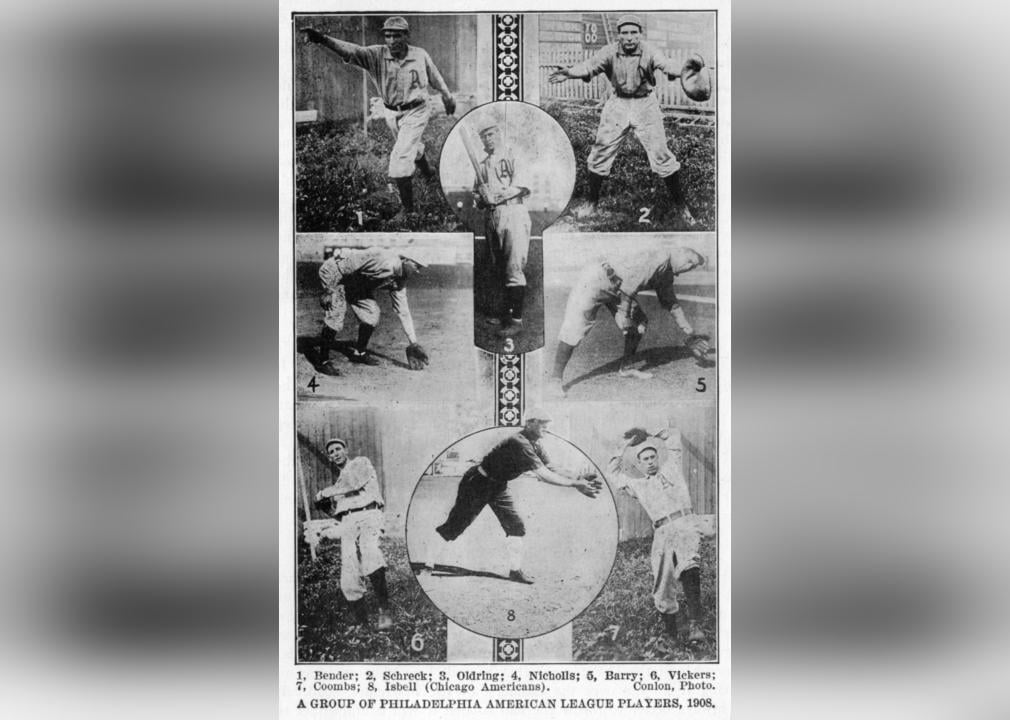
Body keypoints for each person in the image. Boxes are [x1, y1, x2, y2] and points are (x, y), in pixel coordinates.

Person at [419, 408, 602, 584]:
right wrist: (574, 484)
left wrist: (577, 479)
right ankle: (427, 566)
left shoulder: (535, 444)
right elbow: (543, 475)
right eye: (542, 423)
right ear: (530, 423)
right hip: (477, 483)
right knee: (455, 527)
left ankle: (515, 572)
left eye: (548, 424)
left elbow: (552, 468)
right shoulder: (519, 442)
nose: (547, 427)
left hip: (498, 486)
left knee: (516, 526)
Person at [548, 14, 697, 226]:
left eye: (633, 33)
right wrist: (570, 73)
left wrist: (683, 71)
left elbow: (667, 65)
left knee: (662, 154)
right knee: (600, 152)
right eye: (624, 33)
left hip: (645, 104)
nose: (629, 38)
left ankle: (681, 207)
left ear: (640, 34)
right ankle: (591, 203)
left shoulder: (649, 51)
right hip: (618, 104)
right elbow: (590, 65)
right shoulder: (609, 51)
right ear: (619, 35)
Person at [301, 16, 456, 217]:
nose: (391, 40)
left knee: (401, 154)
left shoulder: (419, 55)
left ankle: (408, 211)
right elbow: (350, 50)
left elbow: (435, 77)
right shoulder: (376, 55)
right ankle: (428, 174)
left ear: (406, 36)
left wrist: (447, 96)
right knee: (409, 144)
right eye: (388, 35)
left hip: (418, 109)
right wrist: (321, 39)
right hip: (391, 111)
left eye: (397, 35)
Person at [547, 246, 707, 398]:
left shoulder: (667, 273)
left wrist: (690, 332)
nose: (689, 267)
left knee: (639, 324)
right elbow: (628, 290)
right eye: (690, 262)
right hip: (595, 280)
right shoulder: (660, 258)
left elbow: (672, 304)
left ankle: (626, 368)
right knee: (574, 328)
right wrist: (624, 317)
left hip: (618, 288)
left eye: (693, 266)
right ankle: (555, 380)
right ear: (680, 254)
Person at [607, 427, 715, 642]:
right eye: (644, 459)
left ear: (658, 457)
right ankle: (671, 634)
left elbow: (674, 436)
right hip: (662, 531)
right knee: (662, 583)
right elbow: (612, 472)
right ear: (639, 464)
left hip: (684, 523)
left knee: (689, 565)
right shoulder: (638, 485)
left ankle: (695, 625)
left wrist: (650, 434)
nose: (649, 461)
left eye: (652, 456)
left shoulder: (672, 469)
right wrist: (625, 443)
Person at [305, 438, 393, 630]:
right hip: (349, 521)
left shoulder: (360, 463)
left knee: (370, 552)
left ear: (346, 450)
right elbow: (336, 510)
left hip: (369, 514)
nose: (335, 453)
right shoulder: (338, 486)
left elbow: (351, 483)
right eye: (331, 452)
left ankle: (384, 611)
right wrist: (325, 504)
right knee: (349, 570)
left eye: (338, 449)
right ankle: (362, 622)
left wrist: (322, 494)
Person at [313, 247, 429, 375]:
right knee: (336, 315)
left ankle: (359, 353)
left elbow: (403, 311)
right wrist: (328, 290)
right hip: (336, 272)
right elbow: (346, 262)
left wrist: (413, 342)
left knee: (372, 315)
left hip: (354, 282)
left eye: (420, 268)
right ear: (406, 260)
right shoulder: (384, 260)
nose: (417, 271)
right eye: (416, 266)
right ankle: (322, 361)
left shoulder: (400, 281)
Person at [472, 122, 532, 337]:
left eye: (490, 134)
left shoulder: (513, 154)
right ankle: (504, 312)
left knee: (513, 266)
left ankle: (516, 320)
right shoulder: (482, 164)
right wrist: (480, 198)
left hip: (513, 212)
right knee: (497, 267)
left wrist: (495, 196)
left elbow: (521, 187)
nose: (487, 139)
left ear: (499, 134)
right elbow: (477, 197)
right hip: (492, 215)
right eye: (483, 136)